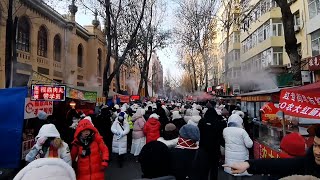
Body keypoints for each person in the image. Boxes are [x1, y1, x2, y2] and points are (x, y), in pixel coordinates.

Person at [224, 127, 320, 178]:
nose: (317, 152)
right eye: (315, 145)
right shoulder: (307, 161)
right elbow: (278, 164)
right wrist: (248, 164)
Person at [192, 108, 226, 180]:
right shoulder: (218, 122)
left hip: (203, 148)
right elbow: (220, 135)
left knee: (204, 167)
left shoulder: (202, 121)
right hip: (215, 148)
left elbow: (198, 133)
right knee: (214, 168)